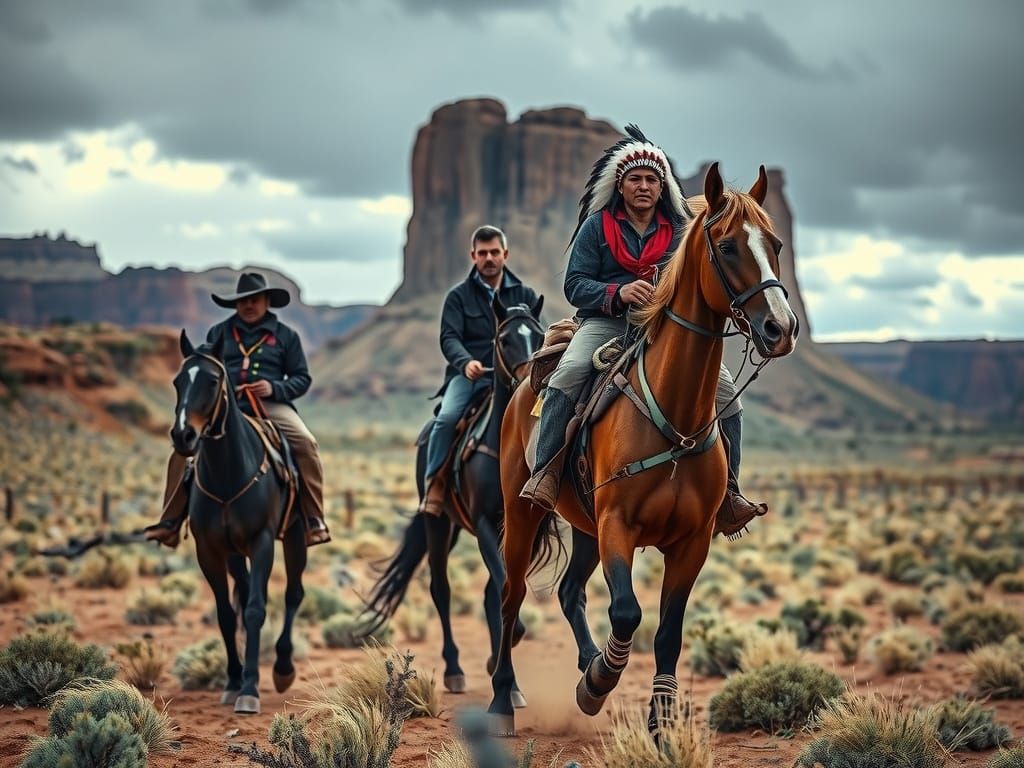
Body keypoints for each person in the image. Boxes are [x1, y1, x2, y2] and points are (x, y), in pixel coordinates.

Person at [520, 127, 767, 536]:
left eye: (652, 179)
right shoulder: (597, 227)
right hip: (605, 321)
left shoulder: (680, 229)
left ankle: (730, 493)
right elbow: (575, 284)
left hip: (663, 326)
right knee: (568, 374)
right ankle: (545, 473)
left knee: (728, 399)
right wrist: (618, 291)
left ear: (662, 185)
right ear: (621, 184)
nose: (644, 186)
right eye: (635, 178)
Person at [144, 272, 331, 548]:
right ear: (235, 304)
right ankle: (170, 522)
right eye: (243, 301)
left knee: (306, 442)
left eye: (255, 300)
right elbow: (207, 373)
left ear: (267, 301)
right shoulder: (218, 333)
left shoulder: (286, 337)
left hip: (271, 406)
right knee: (182, 449)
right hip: (224, 407)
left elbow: (302, 379)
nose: (249, 305)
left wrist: (274, 388)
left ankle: (314, 519)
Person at [420, 225, 539, 515]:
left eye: (494, 252)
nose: (489, 258)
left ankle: (551, 482)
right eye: (482, 253)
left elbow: (536, 333)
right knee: (446, 419)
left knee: (548, 414)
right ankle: (435, 482)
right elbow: (448, 337)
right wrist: (465, 363)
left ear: (505, 254)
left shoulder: (525, 294)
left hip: (515, 379)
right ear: (473, 256)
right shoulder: (458, 297)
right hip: (472, 377)